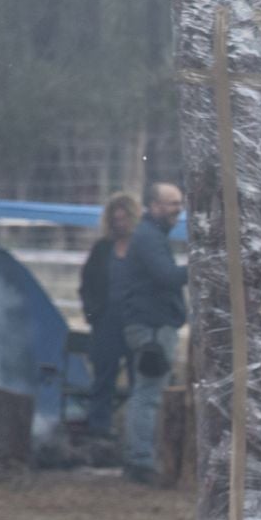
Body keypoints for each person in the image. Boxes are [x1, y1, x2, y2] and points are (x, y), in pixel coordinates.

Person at [116, 183, 187, 485]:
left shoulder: (151, 236)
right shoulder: (148, 238)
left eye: (180, 203)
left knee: (146, 393)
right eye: (172, 204)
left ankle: (141, 456)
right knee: (148, 394)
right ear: (154, 206)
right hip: (152, 330)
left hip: (152, 327)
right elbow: (166, 277)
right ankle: (140, 460)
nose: (178, 209)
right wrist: (203, 262)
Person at [79, 192, 140, 442]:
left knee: (139, 379)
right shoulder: (102, 249)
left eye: (124, 219)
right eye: (116, 219)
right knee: (103, 377)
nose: (120, 224)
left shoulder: (141, 248)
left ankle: (135, 435)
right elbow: (86, 284)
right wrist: (94, 315)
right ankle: (99, 430)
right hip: (106, 323)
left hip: (136, 322)